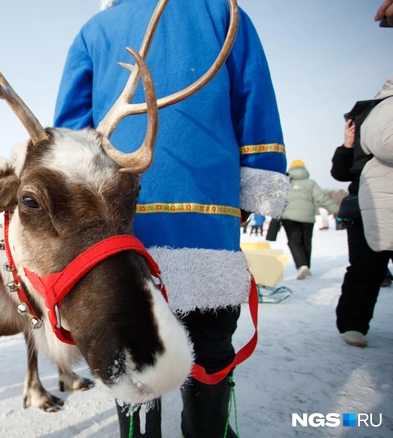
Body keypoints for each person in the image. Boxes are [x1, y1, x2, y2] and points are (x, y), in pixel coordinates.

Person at [54, 1, 289, 436]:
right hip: (208, 214)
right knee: (211, 347)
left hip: (122, 228)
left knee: (129, 354)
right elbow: (254, 97)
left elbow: (69, 140)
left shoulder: (95, 29)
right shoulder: (224, 12)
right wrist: (260, 175)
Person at [332, 73, 393, 348]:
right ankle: (352, 323)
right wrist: (347, 145)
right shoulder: (378, 115)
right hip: (367, 207)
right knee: (365, 267)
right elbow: (340, 173)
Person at [280, 160, 338, 280]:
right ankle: (306, 265)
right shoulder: (310, 183)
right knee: (306, 241)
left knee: (294, 241)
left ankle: (302, 265)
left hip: (289, 218)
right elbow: (322, 198)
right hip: (308, 218)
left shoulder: (286, 182)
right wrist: (336, 210)